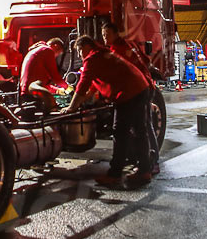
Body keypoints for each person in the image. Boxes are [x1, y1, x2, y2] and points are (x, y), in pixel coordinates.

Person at [62, 35, 154, 187]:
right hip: (140, 88)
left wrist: (72, 107)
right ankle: (144, 171)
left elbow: (83, 84)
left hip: (128, 93)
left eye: (79, 51)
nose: (79, 55)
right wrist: (83, 100)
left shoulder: (92, 58)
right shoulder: (103, 54)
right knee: (140, 131)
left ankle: (115, 174)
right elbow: (93, 85)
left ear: (85, 47)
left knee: (120, 132)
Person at [101, 22, 160, 174]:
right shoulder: (130, 44)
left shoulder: (117, 50)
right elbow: (146, 61)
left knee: (143, 126)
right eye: (103, 35)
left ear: (115, 34)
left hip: (139, 89)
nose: (105, 38)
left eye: (107, 34)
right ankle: (148, 159)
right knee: (144, 125)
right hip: (146, 85)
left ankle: (152, 160)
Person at [18, 37, 68, 111]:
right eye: (58, 53)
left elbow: (42, 83)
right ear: (55, 45)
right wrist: (68, 88)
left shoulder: (37, 51)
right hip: (33, 94)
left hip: (26, 93)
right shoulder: (47, 50)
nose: (56, 56)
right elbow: (55, 76)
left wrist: (57, 90)